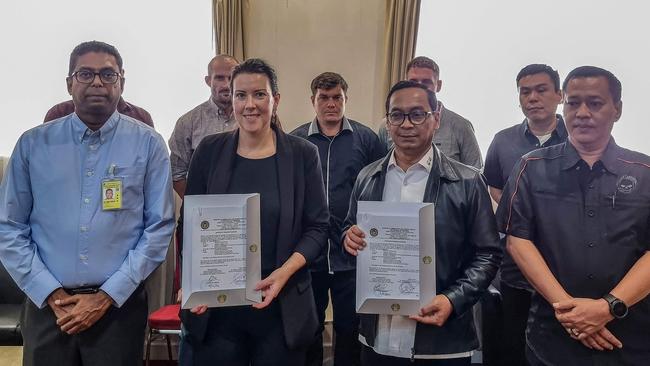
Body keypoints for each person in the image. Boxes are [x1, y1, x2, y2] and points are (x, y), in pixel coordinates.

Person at [0, 40, 175, 366]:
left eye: (108, 74)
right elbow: (9, 228)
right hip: (47, 309)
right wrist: (51, 294)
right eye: (86, 74)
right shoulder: (33, 145)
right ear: (70, 83)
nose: (97, 82)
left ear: (122, 80)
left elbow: (159, 227)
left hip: (118, 311)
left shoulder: (148, 144)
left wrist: (105, 297)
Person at [179, 58, 329, 365]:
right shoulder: (209, 151)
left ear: (275, 100)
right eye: (241, 95)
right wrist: (194, 281)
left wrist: (283, 273)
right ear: (231, 99)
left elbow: (318, 228)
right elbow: (190, 224)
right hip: (217, 309)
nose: (250, 105)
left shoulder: (303, 155)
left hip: (281, 305)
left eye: (259, 95)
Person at [496, 66, 650, 365]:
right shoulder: (531, 167)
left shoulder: (644, 173)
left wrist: (607, 308)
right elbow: (518, 241)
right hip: (553, 333)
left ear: (616, 110)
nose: (581, 112)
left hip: (628, 335)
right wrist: (571, 313)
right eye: (573, 102)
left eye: (595, 103)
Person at [343, 80, 502, 365]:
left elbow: (488, 255)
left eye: (417, 114)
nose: (406, 124)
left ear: (436, 118)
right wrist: (349, 238)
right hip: (376, 336)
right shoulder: (367, 176)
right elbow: (349, 228)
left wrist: (452, 300)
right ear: (388, 121)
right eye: (396, 115)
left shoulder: (467, 181)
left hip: (442, 340)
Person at [291, 72, 385, 366]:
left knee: (349, 329)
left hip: (352, 254)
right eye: (324, 98)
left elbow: (381, 187)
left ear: (346, 99)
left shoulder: (366, 138)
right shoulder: (295, 141)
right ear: (313, 100)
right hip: (310, 254)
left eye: (337, 98)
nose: (331, 104)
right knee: (309, 328)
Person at [483, 64, 567, 365]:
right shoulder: (503, 141)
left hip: (564, 266)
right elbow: (493, 186)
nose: (533, 98)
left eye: (542, 90)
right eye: (525, 91)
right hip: (515, 267)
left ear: (559, 95)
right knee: (513, 346)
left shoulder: (578, 138)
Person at [378, 56, 482, 169]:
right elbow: (380, 169)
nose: (419, 87)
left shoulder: (460, 126)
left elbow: (476, 172)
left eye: (426, 82)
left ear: (439, 85)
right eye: (413, 82)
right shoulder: (388, 125)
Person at [169, 54, 240, 198]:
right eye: (219, 78)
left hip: (250, 208)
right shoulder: (188, 123)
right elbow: (176, 174)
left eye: (231, 77)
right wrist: (199, 205)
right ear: (208, 81)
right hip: (206, 215)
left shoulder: (253, 117)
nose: (226, 85)